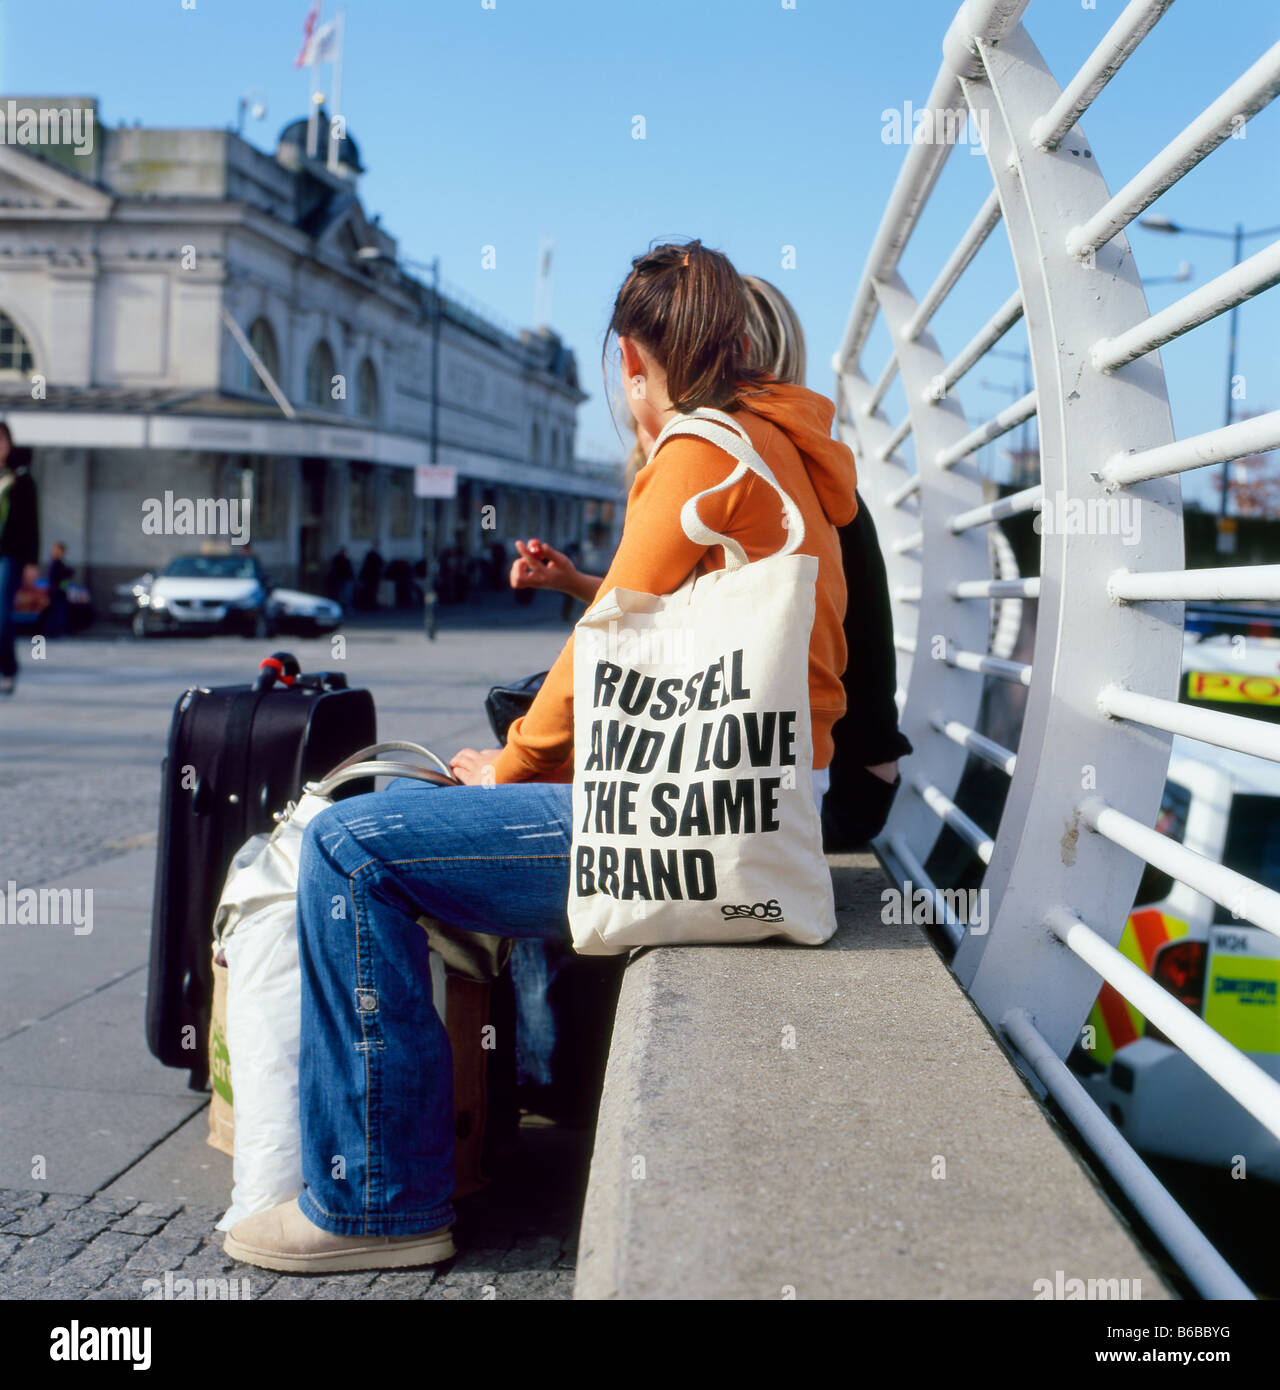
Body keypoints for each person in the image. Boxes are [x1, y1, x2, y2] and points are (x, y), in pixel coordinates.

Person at [223, 239, 858, 1273]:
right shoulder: (782, 445)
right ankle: (476, 1113)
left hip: (693, 821)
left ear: (627, 361)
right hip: (771, 798)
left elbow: (605, 635)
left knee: (350, 846)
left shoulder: (699, 449)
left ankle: (378, 1203)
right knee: (399, 835)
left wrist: (510, 767)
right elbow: (662, 617)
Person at [511, 274, 911, 845]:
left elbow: (642, 625)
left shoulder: (734, 461)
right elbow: (697, 607)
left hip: (825, 788)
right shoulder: (807, 470)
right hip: (839, 771)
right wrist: (578, 583)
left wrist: (512, 765)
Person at [0, 429, 38, 697]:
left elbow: (32, 524)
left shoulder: (22, 480)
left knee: (1, 616)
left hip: (9, 555)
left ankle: (8, 669)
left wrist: (31, 562)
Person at [45, 542, 74, 639]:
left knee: (59, 612)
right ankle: (54, 632)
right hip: (55, 591)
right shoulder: (55, 563)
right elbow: (54, 576)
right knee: (55, 612)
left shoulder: (60, 563)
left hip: (60, 591)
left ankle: (57, 631)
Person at [326, 547, 355, 614]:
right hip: (342, 579)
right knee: (343, 595)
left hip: (345, 579)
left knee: (345, 595)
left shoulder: (345, 559)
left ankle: (345, 608)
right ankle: (342, 608)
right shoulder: (340, 559)